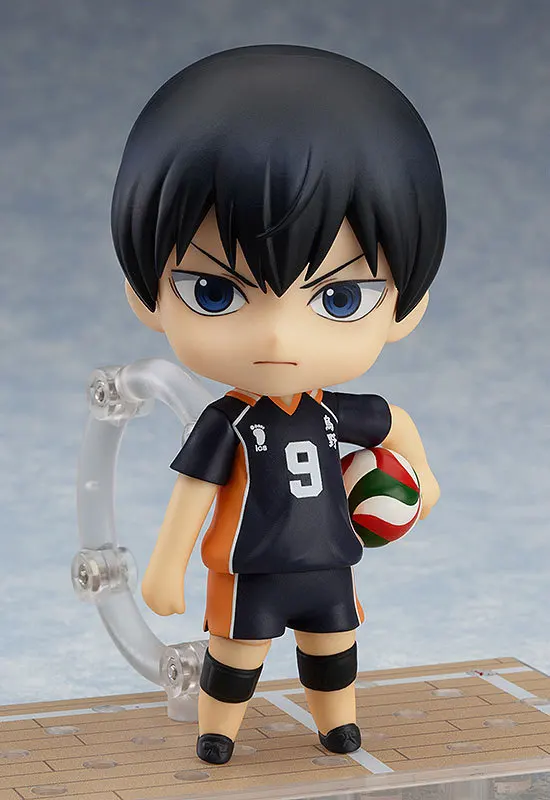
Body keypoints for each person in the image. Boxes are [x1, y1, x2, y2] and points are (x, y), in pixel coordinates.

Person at [110, 44, 445, 765]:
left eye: (340, 297)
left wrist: (424, 477)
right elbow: (194, 492)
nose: (277, 337)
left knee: (334, 647)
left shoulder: (331, 412)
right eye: (214, 292)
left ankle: (338, 724)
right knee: (235, 655)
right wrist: (167, 565)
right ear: (146, 295)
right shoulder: (227, 420)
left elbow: (395, 422)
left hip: (328, 561)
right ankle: (218, 730)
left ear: (407, 307)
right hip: (248, 568)